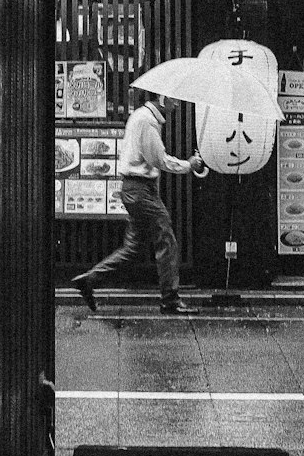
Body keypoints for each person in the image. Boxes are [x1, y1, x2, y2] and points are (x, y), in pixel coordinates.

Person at [72, 93, 207, 315]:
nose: (177, 104)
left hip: (136, 190)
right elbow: (158, 159)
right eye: (174, 100)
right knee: (167, 240)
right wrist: (188, 165)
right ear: (162, 99)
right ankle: (170, 299)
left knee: (133, 248)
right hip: (141, 190)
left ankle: (89, 280)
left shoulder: (143, 117)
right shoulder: (147, 121)